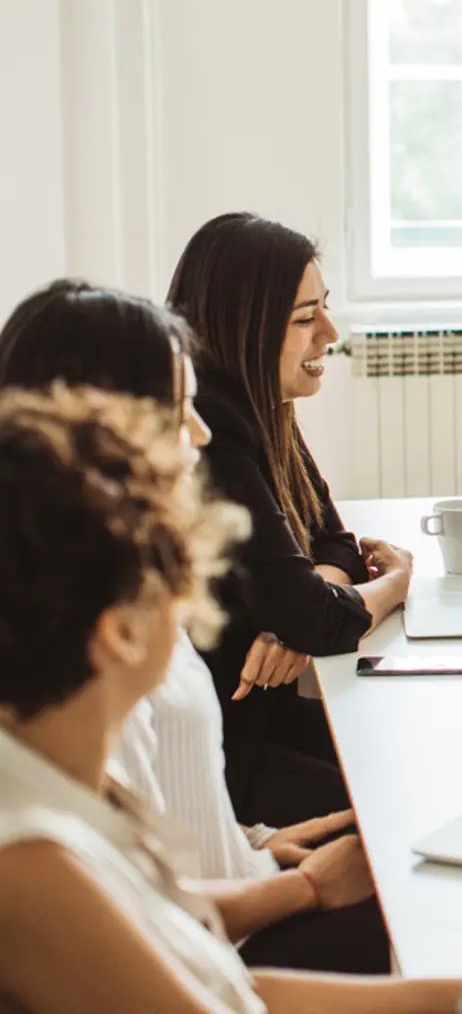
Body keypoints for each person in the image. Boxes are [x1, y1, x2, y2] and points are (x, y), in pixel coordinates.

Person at [0, 385, 462, 1013]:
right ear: (121, 632)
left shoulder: (53, 779)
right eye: (181, 587)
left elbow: (219, 983)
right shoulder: (29, 860)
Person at [0, 279, 391, 973]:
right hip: (223, 927)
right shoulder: (85, 640)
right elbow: (142, 906)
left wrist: (256, 841)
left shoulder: (128, 572)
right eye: (182, 410)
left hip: (236, 881)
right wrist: (298, 888)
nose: (203, 432)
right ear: (111, 422)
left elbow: (147, 836)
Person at [167, 213, 415, 826]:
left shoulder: (260, 403)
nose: (330, 332)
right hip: (225, 756)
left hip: (261, 722)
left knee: (407, 760)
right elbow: (320, 618)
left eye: (323, 309)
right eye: (305, 319)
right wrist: (395, 584)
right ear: (243, 329)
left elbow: (333, 539)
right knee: (399, 808)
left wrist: (299, 614)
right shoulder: (213, 430)